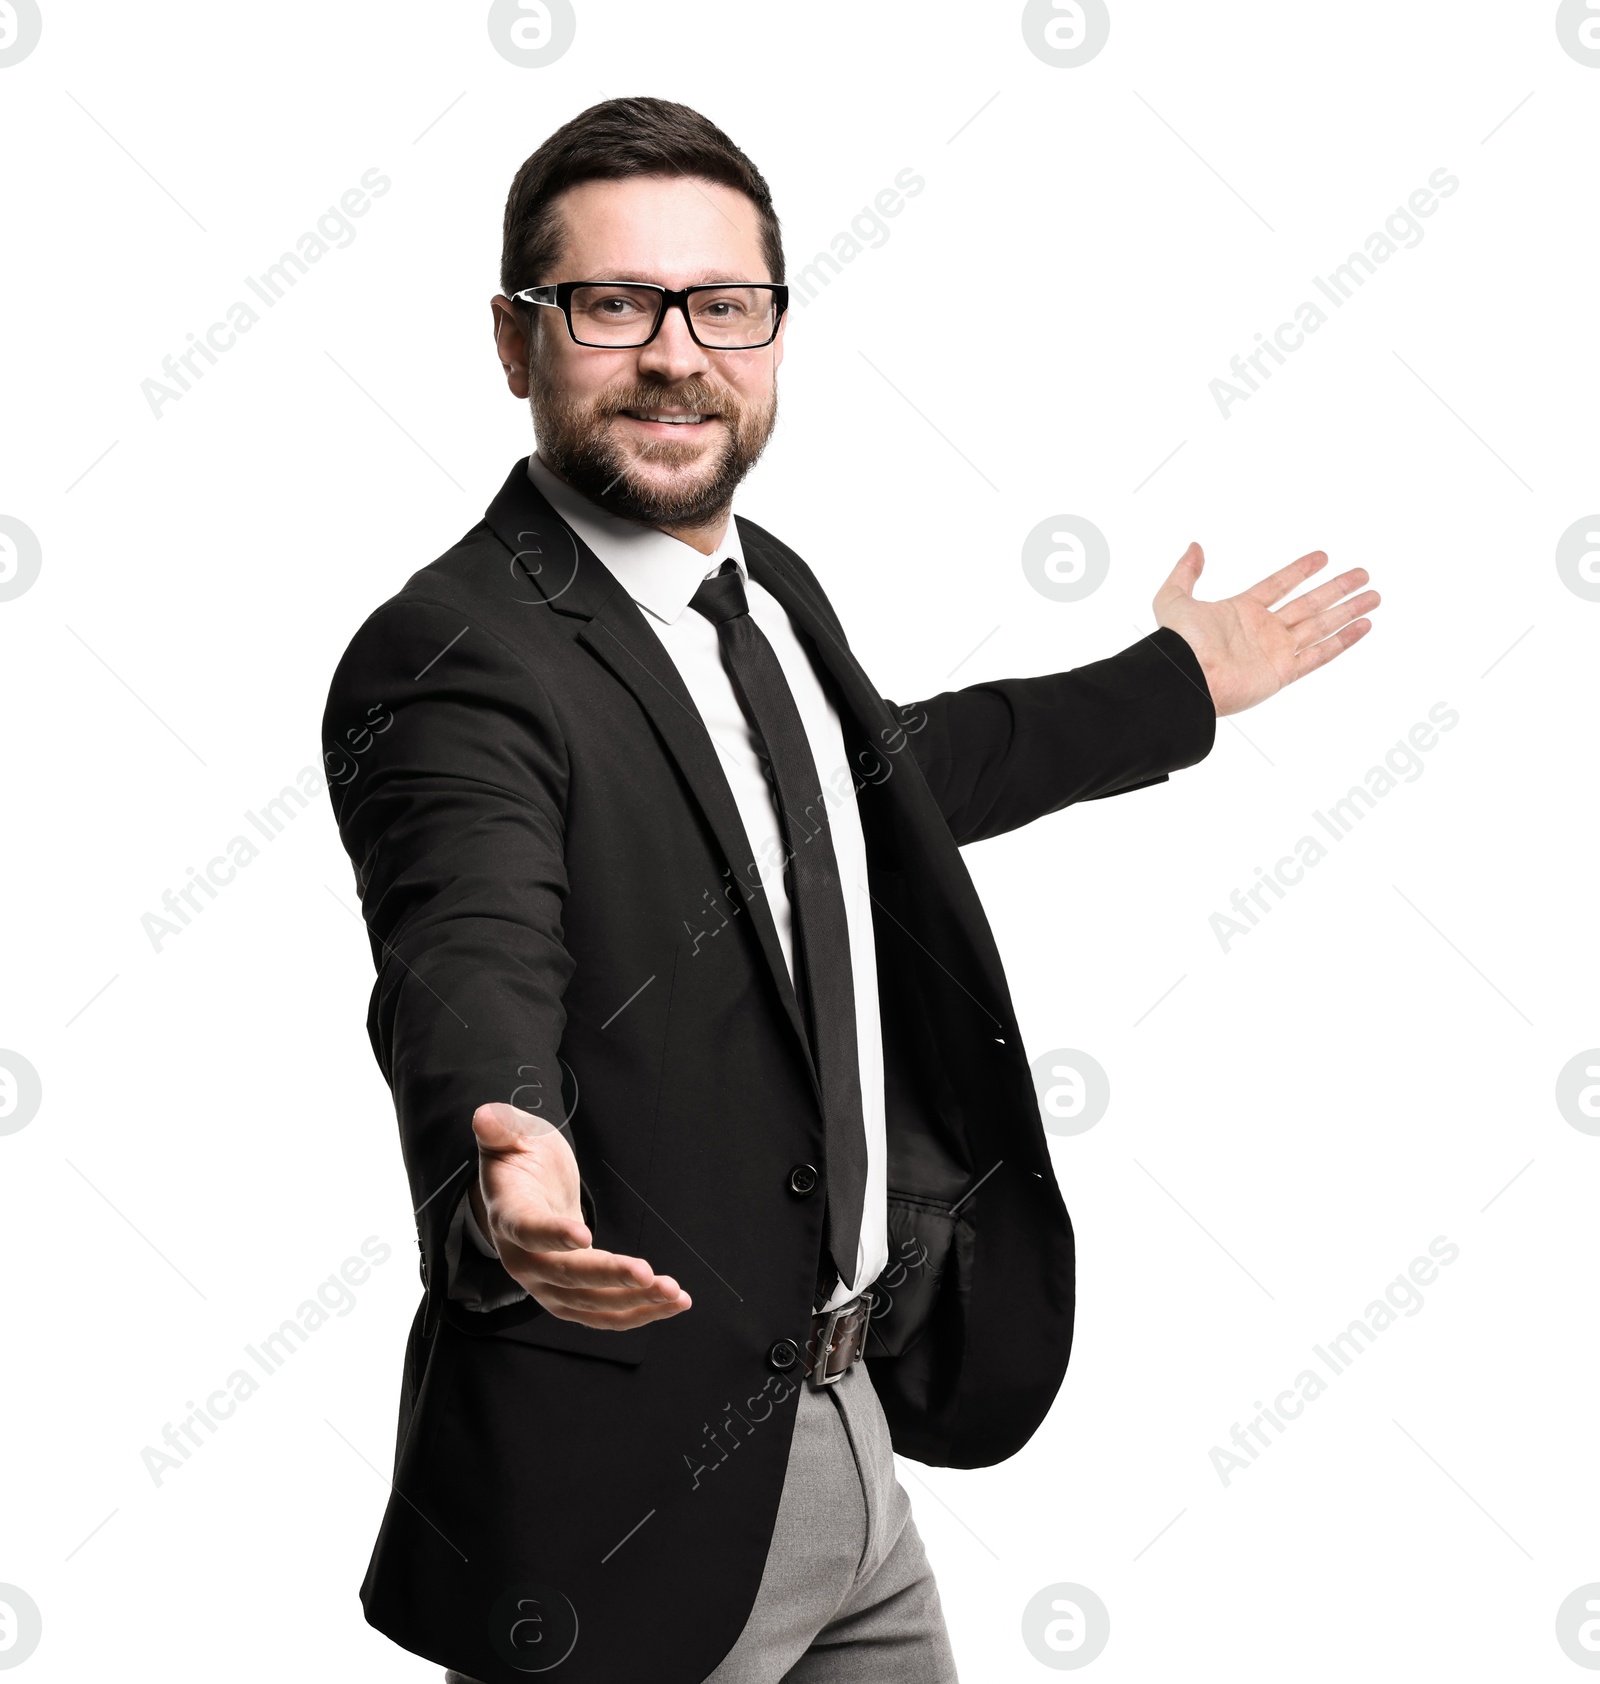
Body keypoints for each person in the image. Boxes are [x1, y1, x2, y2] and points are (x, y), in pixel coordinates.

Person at [322, 96, 1377, 1684]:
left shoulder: (760, 594)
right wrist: (506, 1156)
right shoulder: (459, 661)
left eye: (722, 306)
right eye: (613, 304)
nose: (677, 351)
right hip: (628, 1503)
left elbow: (882, 784)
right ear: (513, 337)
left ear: (774, 335)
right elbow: (473, 941)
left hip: (843, 1429)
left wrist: (1175, 687)